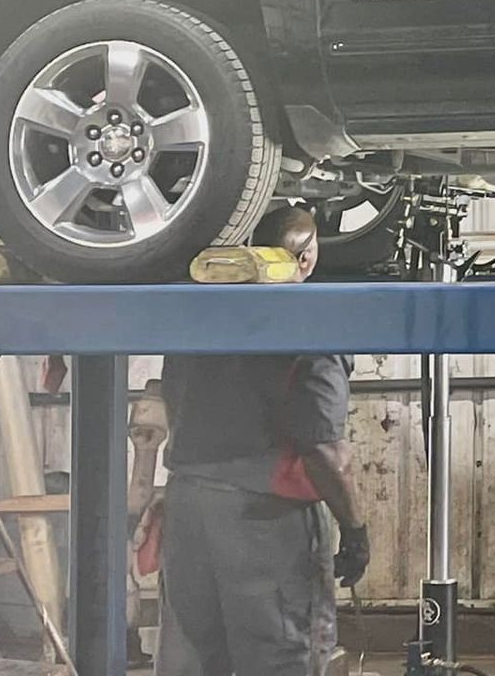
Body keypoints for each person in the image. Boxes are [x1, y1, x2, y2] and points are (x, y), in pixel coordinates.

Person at [156, 205, 369, 676]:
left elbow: (170, 398)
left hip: (188, 506)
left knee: (190, 659)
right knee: (281, 656)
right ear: (307, 260)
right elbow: (324, 452)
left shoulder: (195, 315)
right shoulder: (314, 327)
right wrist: (355, 530)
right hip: (263, 517)